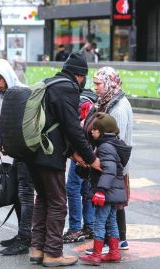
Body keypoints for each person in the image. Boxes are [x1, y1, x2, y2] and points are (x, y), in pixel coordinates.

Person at [26, 52, 101, 267]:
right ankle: (53, 253)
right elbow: (71, 128)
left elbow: (54, 124)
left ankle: (37, 248)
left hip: (33, 151)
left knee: (43, 199)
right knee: (58, 203)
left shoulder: (49, 83)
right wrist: (90, 157)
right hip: (49, 155)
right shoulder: (67, 88)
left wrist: (71, 153)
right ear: (80, 75)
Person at [83, 66, 133, 255]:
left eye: (98, 83)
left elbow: (114, 141)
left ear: (109, 83)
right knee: (115, 203)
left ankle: (108, 243)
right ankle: (119, 241)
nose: (94, 87)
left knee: (111, 204)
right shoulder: (109, 100)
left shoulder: (118, 108)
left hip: (113, 165)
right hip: (113, 164)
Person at [0, 58, 35, 256]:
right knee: (18, 193)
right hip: (17, 151)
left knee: (25, 194)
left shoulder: (22, 93)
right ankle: (22, 234)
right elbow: (7, 123)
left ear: (7, 75)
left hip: (27, 153)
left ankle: (25, 238)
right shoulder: (8, 95)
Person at [80, 112, 131, 265]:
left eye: (95, 129)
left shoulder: (105, 147)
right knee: (111, 222)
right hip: (113, 192)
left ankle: (96, 254)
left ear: (103, 132)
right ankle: (114, 252)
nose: (91, 131)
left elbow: (109, 170)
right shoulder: (111, 144)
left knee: (99, 222)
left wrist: (101, 191)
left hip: (106, 193)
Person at [63, 88, 97, 243]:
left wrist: (74, 155)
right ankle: (89, 226)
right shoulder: (93, 104)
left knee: (72, 188)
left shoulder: (75, 104)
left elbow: (72, 133)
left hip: (80, 153)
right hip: (92, 153)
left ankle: (75, 228)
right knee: (86, 190)